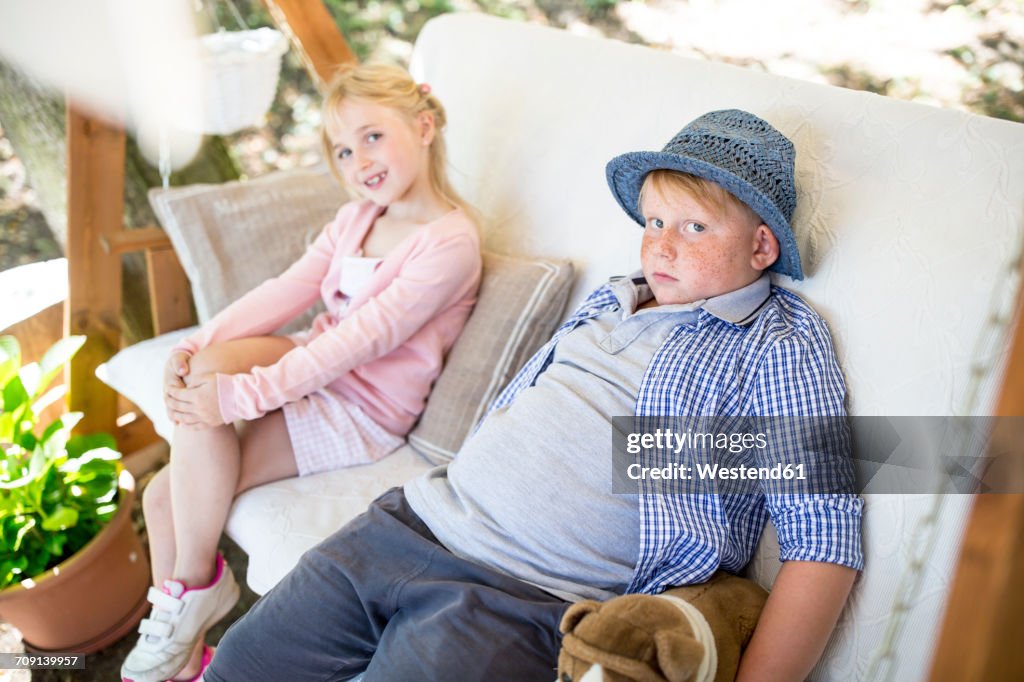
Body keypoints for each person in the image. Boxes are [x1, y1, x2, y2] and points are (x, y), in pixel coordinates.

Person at [202, 109, 864, 682]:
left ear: (761, 246)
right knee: (241, 663)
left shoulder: (776, 344)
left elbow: (823, 535)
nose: (659, 244)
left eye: (693, 228)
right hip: (410, 521)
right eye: (654, 220)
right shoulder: (615, 297)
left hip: (527, 596)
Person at [120, 63, 481, 682]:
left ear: (423, 126)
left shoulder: (450, 243)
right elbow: (288, 288)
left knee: (162, 495)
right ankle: (185, 624)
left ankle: (184, 607)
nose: (358, 159)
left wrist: (241, 396)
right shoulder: (357, 219)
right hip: (304, 364)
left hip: (358, 408)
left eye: (372, 136)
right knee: (201, 378)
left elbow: (356, 346)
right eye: (342, 149)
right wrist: (198, 344)